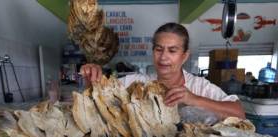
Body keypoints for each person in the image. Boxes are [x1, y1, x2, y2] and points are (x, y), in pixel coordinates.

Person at [80, 22, 245, 120]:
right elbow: (97, 101)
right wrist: (92, 79)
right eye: (159, 49)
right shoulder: (134, 83)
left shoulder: (198, 86)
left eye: (172, 51)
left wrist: (193, 99)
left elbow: (239, 113)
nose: (163, 57)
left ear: (184, 56)